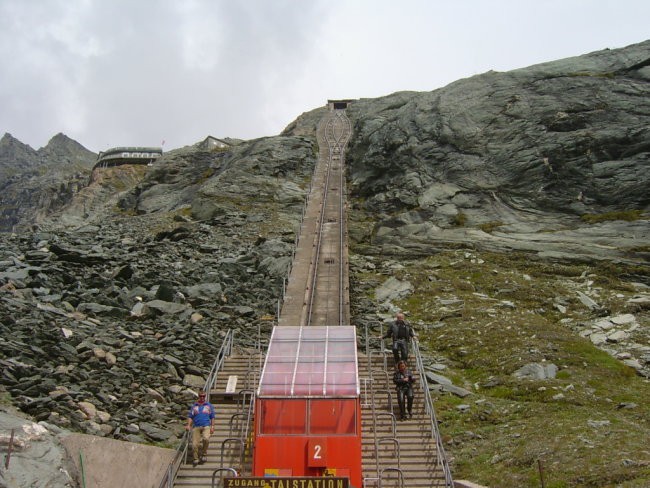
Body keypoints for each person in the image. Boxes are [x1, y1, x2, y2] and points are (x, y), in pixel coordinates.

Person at [186, 390, 215, 466]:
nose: (202, 397)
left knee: (206, 439)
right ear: (198, 396)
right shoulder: (194, 406)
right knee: (194, 444)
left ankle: (204, 454)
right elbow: (190, 417)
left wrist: (212, 427)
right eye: (201, 396)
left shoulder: (209, 405)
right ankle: (196, 458)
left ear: (205, 397)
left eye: (204, 396)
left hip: (206, 425)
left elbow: (212, 417)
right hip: (196, 426)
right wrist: (188, 425)